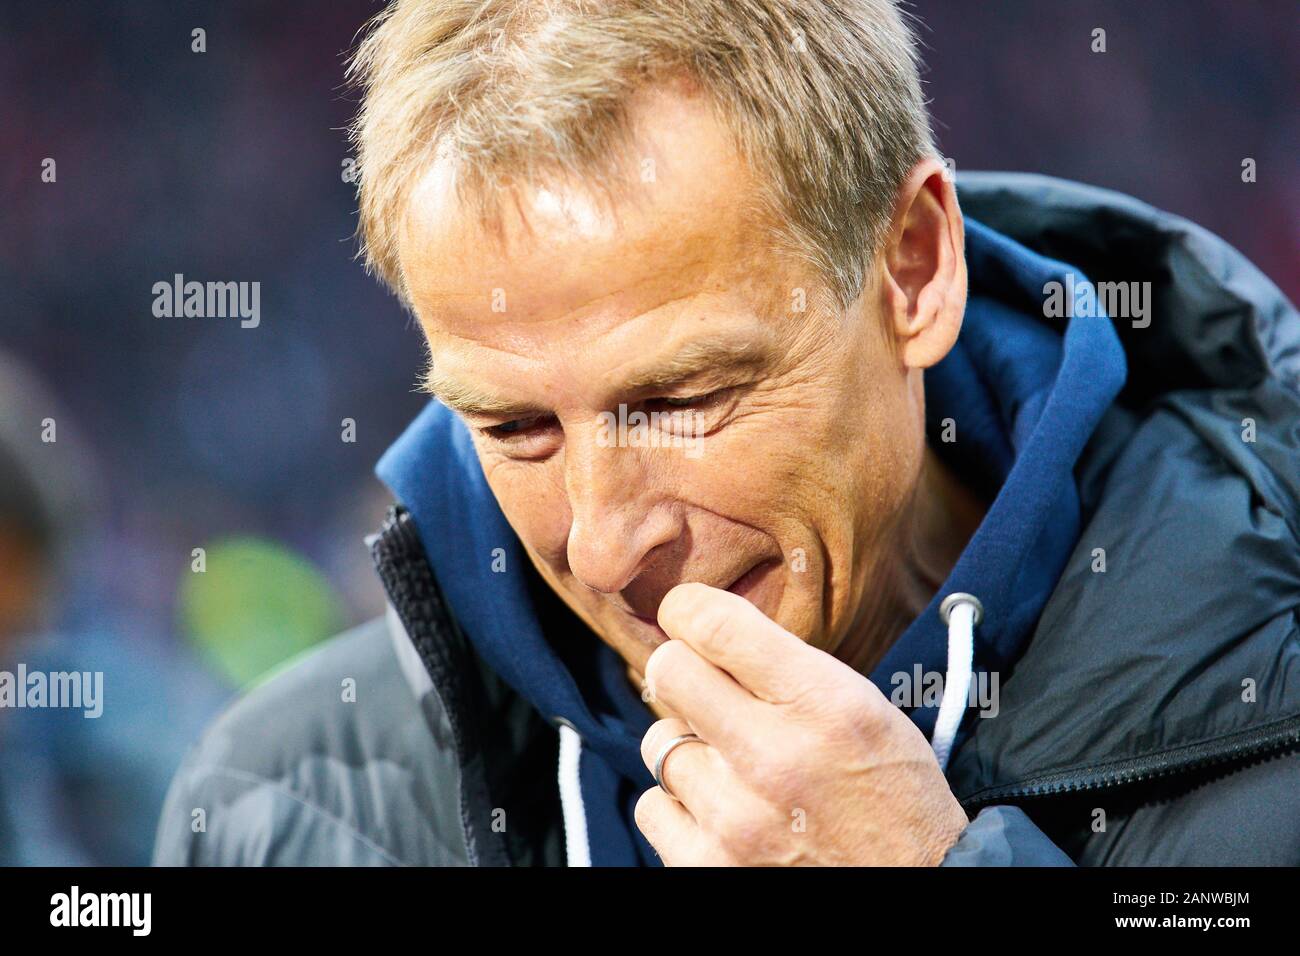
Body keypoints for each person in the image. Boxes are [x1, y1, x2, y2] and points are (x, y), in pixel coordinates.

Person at [155, 0, 1300, 866]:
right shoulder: (278, 800)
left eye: (685, 396)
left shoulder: (1271, 705)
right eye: (514, 425)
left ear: (911, 268)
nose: (604, 546)